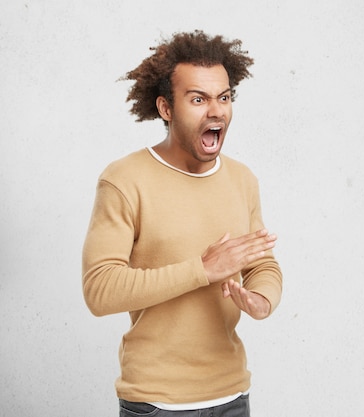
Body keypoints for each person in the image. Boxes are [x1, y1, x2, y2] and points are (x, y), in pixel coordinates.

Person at [82, 31, 282, 417]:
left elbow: (262, 264)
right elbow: (99, 289)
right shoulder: (124, 180)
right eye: (198, 99)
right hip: (157, 403)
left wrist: (262, 299)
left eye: (224, 97)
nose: (216, 111)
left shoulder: (243, 180)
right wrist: (201, 270)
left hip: (232, 397)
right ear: (166, 108)